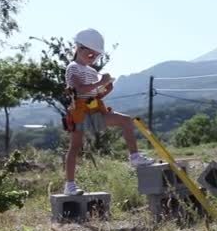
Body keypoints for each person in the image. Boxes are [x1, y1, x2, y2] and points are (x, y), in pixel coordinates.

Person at [63, 28, 155, 195]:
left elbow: (95, 94)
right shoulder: (73, 68)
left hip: (95, 110)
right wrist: (100, 82)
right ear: (78, 48)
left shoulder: (91, 71)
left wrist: (107, 88)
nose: (93, 58)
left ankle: (134, 157)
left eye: (96, 56)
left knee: (126, 120)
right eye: (90, 54)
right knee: (75, 147)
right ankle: (70, 185)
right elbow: (80, 90)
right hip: (80, 113)